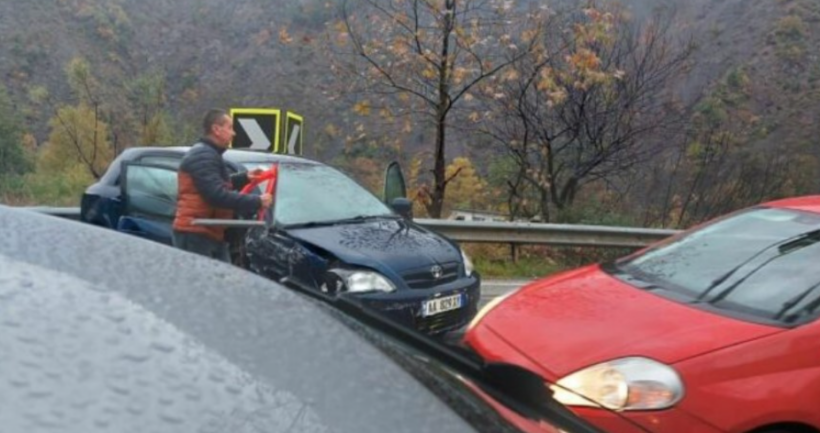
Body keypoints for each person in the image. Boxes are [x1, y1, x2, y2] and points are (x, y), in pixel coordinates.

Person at [172, 109, 273, 262]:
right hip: (196, 232)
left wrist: (245, 177)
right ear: (216, 129)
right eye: (230, 127)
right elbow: (215, 195)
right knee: (203, 284)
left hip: (209, 231)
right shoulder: (203, 156)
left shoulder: (209, 154)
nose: (234, 133)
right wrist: (257, 201)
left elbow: (214, 184)